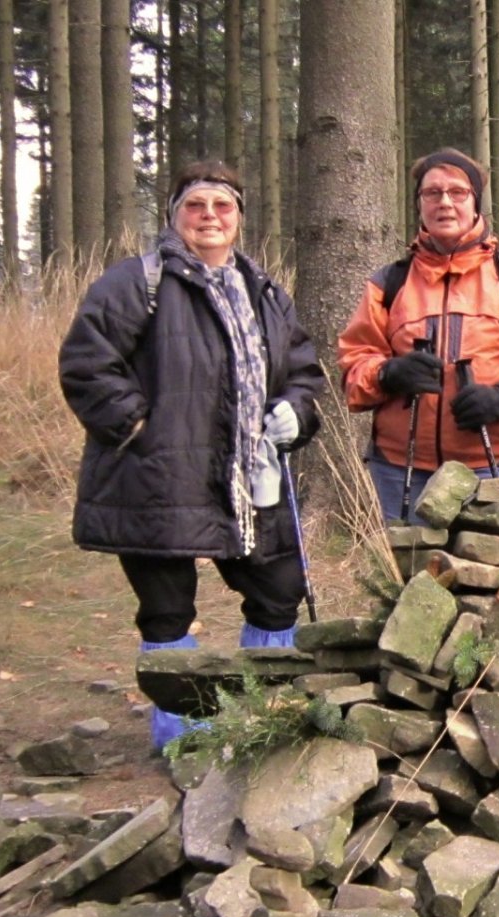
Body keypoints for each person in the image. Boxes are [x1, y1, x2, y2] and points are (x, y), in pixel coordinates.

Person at [60, 161, 326, 751]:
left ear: (239, 218)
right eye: (195, 205)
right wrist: (138, 428)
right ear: (173, 216)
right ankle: (183, 739)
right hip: (155, 479)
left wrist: (296, 410)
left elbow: (303, 371)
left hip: (251, 480)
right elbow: (86, 363)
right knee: (166, 608)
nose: (209, 216)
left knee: (279, 591)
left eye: (222, 206)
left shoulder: (265, 292)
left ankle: (264, 720)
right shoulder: (136, 282)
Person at [338, 148, 499, 521]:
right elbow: (354, 367)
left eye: (457, 192)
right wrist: (387, 374)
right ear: (419, 204)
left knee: (488, 562)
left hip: (492, 465)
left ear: (476, 202)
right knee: (410, 562)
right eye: (432, 193)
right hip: (401, 469)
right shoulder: (390, 282)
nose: (444, 202)